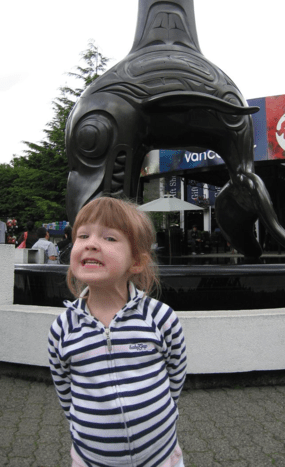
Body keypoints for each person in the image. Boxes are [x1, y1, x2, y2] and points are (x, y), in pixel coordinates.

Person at [48, 197, 187, 467]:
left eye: (109, 238)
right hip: (92, 460)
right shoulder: (63, 328)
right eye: (83, 235)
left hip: (160, 457)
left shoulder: (160, 318)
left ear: (136, 262)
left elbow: (175, 377)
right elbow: (65, 390)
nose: (90, 243)